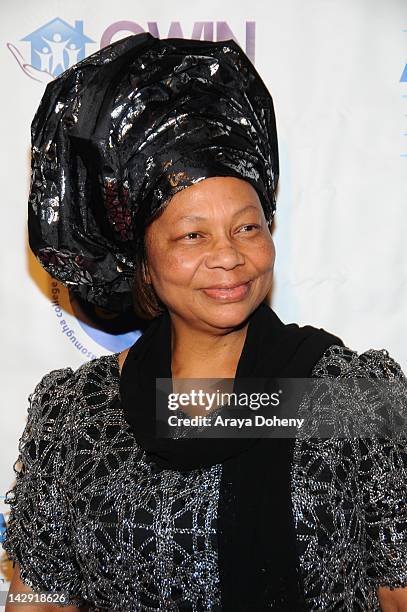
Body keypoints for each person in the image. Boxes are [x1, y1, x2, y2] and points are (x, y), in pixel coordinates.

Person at [3, 32, 407, 612]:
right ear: (143, 259)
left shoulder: (352, 395)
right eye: (193, 235)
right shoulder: (75, 415)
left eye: (247, 227)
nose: (229, 255)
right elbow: (40, 598)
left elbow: (398, 593)